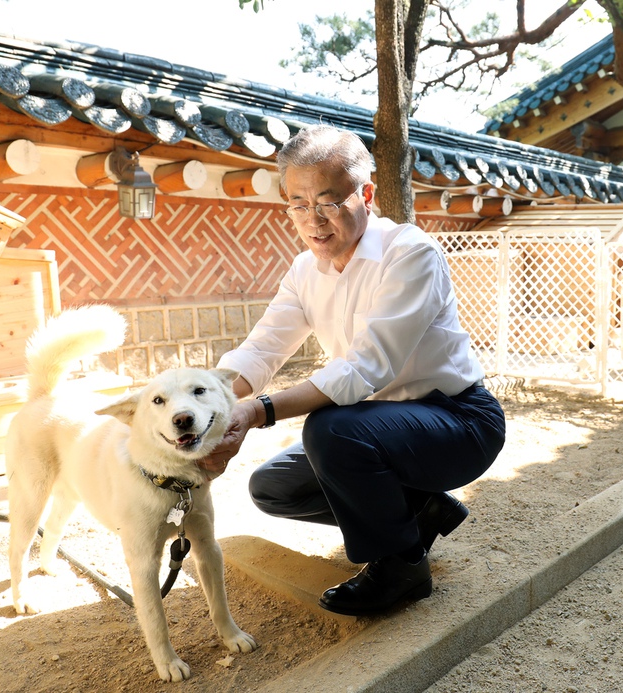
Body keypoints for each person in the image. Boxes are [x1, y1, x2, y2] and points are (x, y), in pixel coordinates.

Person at [199, 124, 506, 617]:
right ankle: (420, 511)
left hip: (458, 421)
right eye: (298, 205)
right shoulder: (304, 271)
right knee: (273, 487)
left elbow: (365, 368)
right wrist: (203, 407)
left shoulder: (409, 254)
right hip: (378, 425)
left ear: (365, 193)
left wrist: (257, 412)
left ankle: (402, 566)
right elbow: (261, 350)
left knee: (331, 431)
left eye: (328, 202)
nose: (313, 221)